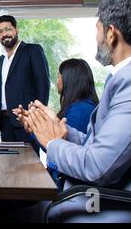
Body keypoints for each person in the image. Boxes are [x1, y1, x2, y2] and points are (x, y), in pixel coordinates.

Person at [18, 0, 131, 222]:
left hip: (110, 208)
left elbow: (98, 167)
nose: (96, 38)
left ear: (111, 34)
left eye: (97, 29)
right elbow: (101, 144)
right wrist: (58, 128)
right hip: (93, 198)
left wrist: (53, 141)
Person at [15, 58, 99, 191]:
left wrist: (36, 128)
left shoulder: (81, 110)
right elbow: (54, 144)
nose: (57, 81)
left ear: (69, 79)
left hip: (65, 188)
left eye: (59, 76)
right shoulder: (78, 106)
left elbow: (58, 149)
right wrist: (33, 125)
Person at [0, 14, 50, 150]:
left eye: (8, 29)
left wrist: (35, 118)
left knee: (28, 166)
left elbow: (43, 85)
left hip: (26, 121)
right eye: (0, 31)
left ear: (16, 30)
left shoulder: (32, 50)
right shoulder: (0, 61)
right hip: (5, 123)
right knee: (8, 166)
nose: (4, 34)